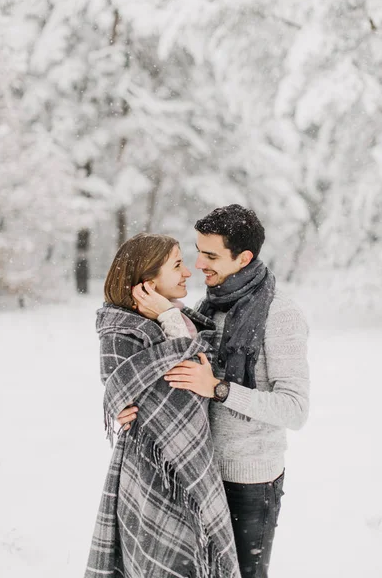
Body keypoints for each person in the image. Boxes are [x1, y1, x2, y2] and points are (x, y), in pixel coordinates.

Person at [119, 205, 310, 578]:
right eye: (197, 250)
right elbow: (177, 378)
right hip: (198, 473)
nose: (198, 264)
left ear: (244, 257)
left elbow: (295, 408)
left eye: (210, 255)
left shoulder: (279, 314)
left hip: (249, 482)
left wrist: (220, 389)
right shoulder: (208, 308)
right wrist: (129, 406)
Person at [85, 232, 241, 578]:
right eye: (177, 266)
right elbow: (180, 389)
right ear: (147, 282)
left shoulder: (181, 319)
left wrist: (170, 315)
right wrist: (169, 317)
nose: (188, 273)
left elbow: (198, 363)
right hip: (154, 474)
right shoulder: (124, 331)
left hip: (185, 469)